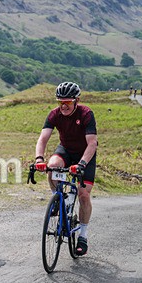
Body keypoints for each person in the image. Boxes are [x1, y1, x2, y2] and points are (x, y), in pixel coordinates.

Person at [34, 82, 98, 256]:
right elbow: (43, 139)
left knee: (83, 194)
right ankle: (59, 198)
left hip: (85, 155)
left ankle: (82, 236)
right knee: (52, 166)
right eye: (60, 102)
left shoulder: (86, 114)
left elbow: (92, 143)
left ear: (76, 100)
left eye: (67, 102)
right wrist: (39, 159)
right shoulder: (54, 114)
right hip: (66, 151)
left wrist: (82, 164)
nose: (63, 105)